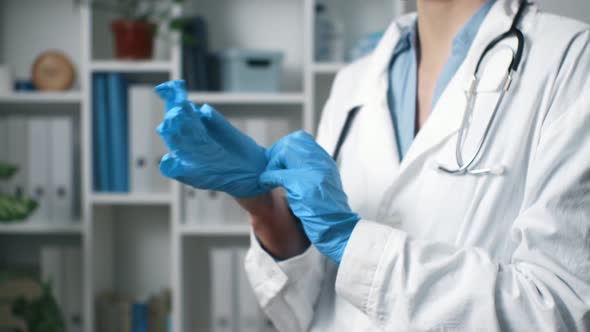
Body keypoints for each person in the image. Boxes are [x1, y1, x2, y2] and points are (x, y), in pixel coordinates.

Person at [155, 0, 590, 330]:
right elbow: (304, 313)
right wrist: (266, 209)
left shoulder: (571, 60)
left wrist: (351, 240)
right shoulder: (355, 80)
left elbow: (559, 311)